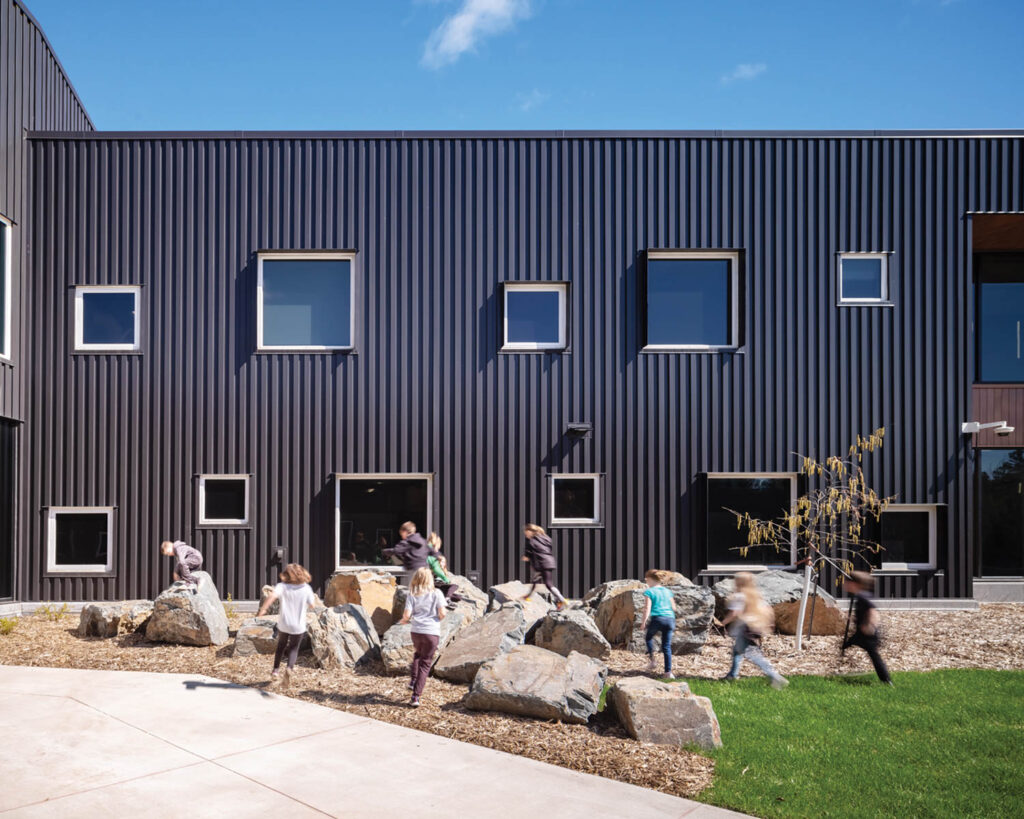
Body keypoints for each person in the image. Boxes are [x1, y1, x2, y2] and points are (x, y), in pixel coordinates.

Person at [721, 572, 789, 689]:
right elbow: (768, 610)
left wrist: (722, 623)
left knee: (753, 655)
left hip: (745, 629)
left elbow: (734, 613)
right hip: (754, 628)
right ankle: (732, 675)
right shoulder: (756, 596)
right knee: (738, 651)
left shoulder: (739, 596)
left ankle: (775, 676)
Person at [257, 563, 317, 688]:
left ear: (286, 575)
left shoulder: (282, 586)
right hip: (298, 625)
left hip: (284, 623)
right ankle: (289, 668)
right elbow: (312, 605)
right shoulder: (306, 588)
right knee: (294, 648)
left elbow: (272, 597)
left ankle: (275, 670)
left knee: (281, 646)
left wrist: (263, 610)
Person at [398, 567, 446, 707]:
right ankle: (415, 697)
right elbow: (442, 613)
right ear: (430, 578)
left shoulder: (412, 594)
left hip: (416, 632)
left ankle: (413, 681)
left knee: (418, 654)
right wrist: (435, 618)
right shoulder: (437, 593)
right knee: (425, 664)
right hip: (431, 632)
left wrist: (404, 621)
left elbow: (406, 615)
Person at [842, 570, 892, 685]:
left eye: (848, 582)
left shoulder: (863, 597)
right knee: (846, 644)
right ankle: (841, 662)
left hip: (869, 634)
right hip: (861, 633)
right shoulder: (859, 596)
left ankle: (886, 680)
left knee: (874, 657)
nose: (845, 585)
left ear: (856, 584)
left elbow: (873, 612)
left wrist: (870, 626)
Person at [640, 569, 677, 679]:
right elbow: (674, 608)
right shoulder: (667, 591)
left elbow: (647, 608)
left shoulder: (649, 592)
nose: (646, 582)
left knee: (648, 637)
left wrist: (643, 622)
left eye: (647, 580)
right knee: (666, 646)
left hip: (658, 619)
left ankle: (653, 661)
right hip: (670, 619)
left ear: (651, 580)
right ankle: (668, 673)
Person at [520, 524, 567, 610]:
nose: (526, 535)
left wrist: (525, 558)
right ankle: (528, 596)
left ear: (530, 531)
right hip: (549, 562)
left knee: (548, 584)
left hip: (542, 564)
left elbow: (528, 555)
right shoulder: (545, 538)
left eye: (526, 533)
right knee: (535, 581)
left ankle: (562, 600)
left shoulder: (531, 542)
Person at [426, 532, 463, 606]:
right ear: (435, 544)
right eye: (438, 547)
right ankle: (446, 599)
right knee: (454, 586)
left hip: (424, 581)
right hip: (431, 583)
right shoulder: (431, 553)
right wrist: (446, 580)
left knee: (458, 597)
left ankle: (445, 598)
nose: (438, 550)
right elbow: (436, 569)